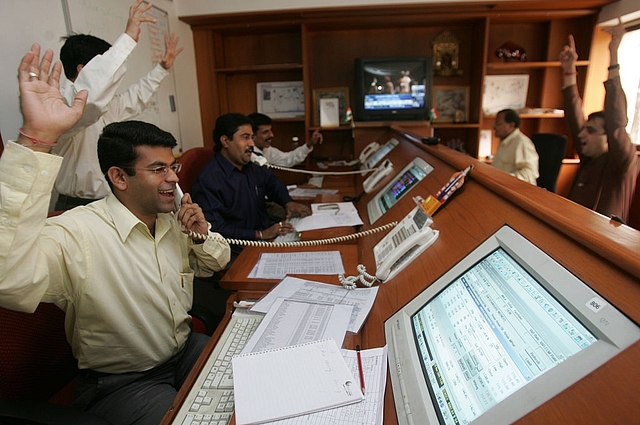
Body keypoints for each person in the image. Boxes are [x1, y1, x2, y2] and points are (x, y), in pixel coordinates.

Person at [1, 44, 229, 425]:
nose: (174, 178)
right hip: (124, 382)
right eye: (159, 169)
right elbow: (9, 277)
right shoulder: (77, 232)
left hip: (183, 350)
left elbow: (218, 263)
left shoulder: (170, 220)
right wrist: (37, 139)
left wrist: (202, 235)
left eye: (173, 167)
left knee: (251, 382)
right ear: (119, 177)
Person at [54, 0, 184, 210]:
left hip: (110, 204)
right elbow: (91, 101)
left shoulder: (104, 107)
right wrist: (129, 38)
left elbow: (135, 98)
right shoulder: (63, 106)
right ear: (83, 70)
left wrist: (162, 68)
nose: (110, 76)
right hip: (77, 207)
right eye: (102, 66)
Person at [192, 113, 311, 261]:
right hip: (237, 247)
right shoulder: (209, 179)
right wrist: (259, 235)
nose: (252, 144)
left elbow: (272, 183)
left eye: (252, 137)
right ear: (225, 141)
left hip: (264, 235)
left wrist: (288, 202)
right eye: (245, 137)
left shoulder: (251, 165)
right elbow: (215, 229)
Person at [559, 24, 638, 223]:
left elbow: (616, 120)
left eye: (591, 131)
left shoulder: (621, 163)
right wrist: (569, 71)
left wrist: (613, 56)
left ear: (608, 137)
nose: (582, 135)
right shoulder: (589, 158)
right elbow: (574, 116)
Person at [248, 112, 323, 167]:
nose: (271, 135)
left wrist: (309, 144)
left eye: (270, 130)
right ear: (253, 136)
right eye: (265, 132)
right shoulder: (248, 156)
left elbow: (287, 159)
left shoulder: (267, 150)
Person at [491, 108, 539, 185]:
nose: (494, 126)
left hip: (516, 189)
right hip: (501, 185)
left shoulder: (522, 143)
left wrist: (504, 178)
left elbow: (530, 173)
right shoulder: (505, 140)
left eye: (498, 123)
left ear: (511, 125)